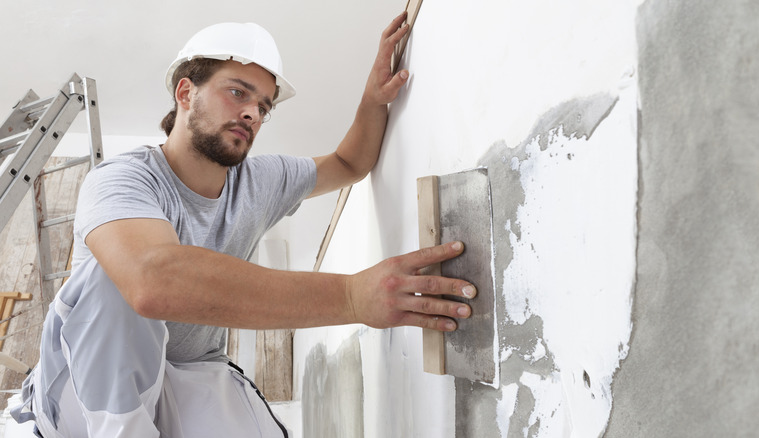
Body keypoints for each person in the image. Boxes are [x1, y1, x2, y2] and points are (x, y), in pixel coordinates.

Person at [11, 12, 476, 438]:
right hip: (86, 389)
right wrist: (354, 296)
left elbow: (348, 162)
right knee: (115, 277)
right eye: (237, 92)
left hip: (191, 371)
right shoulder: (123, 179)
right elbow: (152, 282)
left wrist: (374, 98)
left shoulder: (260, 181)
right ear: (186, 92)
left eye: (264, 105)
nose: (253, 113)